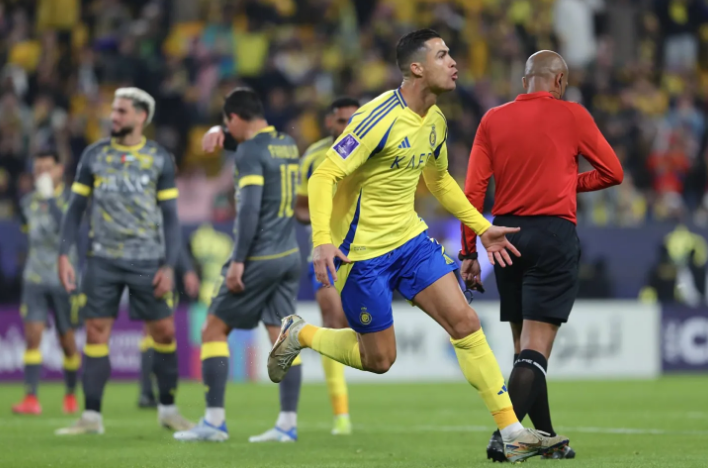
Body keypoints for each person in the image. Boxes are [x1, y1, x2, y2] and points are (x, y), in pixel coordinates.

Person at [268, 29, 569, 463]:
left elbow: (439, 180)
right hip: (362, 253)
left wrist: (482, 227)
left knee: (465, 323)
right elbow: (322, 175)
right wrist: (321, 242)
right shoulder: (377, 117)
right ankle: (301, 333)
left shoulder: (436, 120)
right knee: (379, 360)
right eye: (443, 54)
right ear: (416, 67)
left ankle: (511, 431)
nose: (453, 62)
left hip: (410, 240)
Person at [459, 50, 623, 461]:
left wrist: (468, 251)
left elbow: (472, 193)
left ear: (524, 80)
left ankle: (545, 436)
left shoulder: (493, 119)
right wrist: (566, 184)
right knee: (536, 350)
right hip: (552, 234)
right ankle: (507, 438)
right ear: (560, 80)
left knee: (523, 351)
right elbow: (612, 172)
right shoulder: (573, 115)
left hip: (505, 237)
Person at [55, 87, 193, 435]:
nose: (113, 117)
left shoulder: (159, 158)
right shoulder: (94, 155)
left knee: (163, 331)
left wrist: (170, 265)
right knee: (96, 332)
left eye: (121, 111)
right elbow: (74, 211)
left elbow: (171, 218)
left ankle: (168, 409)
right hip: (101, 259)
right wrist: (64, 253)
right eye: (113, 110)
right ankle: (91, 417)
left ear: (140, 117)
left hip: (148, 260)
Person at [174, 88, 302, 443]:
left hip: (260, 255)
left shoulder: (248, 151)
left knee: (213, 329)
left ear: (233, 119)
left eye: (227, 124)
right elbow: (262, 155)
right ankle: (287, 424)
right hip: (289, 252)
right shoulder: (284, 143)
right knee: (283, 339)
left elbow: (248, 208)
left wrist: (238, 261)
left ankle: (214, 422)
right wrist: (227, 140)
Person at [294, 96, 360, 436]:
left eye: (352, 119)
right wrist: (325, 217)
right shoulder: (314, 157)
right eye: (340, 121)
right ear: (329, 123)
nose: (346, 126)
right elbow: (300, 207)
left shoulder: (372, 146)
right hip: (324, 252)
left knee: (358, 326)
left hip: (368, 250)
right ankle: (341, 416)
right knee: (332, 319)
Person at [11, 150, 81, 416]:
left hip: (64, 278)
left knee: (67, 341)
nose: (42, 173)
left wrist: (51, 199)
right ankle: (31, 398)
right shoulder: (27, 201)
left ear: (59, 170)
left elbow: (67, 229)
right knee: (32, 337)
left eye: (47, 168)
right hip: (35, 278)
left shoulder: (72, 199)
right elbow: (26, 230)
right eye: (38, 168)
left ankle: (71, 394)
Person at [138, 247, 201, 409]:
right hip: (160, 277)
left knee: (149, 332)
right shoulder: (165, 224)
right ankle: (157, 393)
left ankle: (147, 392)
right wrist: (187, 270)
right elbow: (176, 244)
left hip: (141, 272)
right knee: (161, 332)